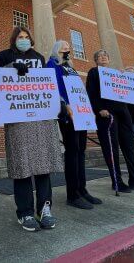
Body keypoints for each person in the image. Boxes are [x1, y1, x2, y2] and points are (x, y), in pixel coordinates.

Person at [0, 26, 63, 232]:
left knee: (43, 165)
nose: (23, 40)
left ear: (31, 40)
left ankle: (44, 209)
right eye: (20, 37)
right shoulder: (4, 55)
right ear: (14, 39)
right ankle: (25, 212)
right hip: (17, 117)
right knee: (22, 165)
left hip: (40, 117)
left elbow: (46, 85)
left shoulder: (39, 57)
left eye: (26, 37)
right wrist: (12, 67)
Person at [85, 50, 134, 193]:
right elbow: (91, 92)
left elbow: (130, 92)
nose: (103, 57)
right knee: (112, 149)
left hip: (124, 113)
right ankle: (117, 181)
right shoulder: (94, 72)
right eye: (99, 56)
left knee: (130, 147)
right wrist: (99, 109)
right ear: (96, 60)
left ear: (109, 59)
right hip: (107, 114)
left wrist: (128, 77)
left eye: (105, 55)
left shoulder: (116, 73)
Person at [47, 40, 102, 209]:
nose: (67, 49)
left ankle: (82, 189)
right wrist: (64, 103)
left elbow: (79, 89)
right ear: (57, 50)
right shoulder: (51, 64)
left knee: (81, 152)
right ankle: (72, 194)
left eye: (68, 48)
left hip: (81, 112)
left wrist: (87, 107)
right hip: (68, 112)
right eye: (63, 47)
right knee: (72, 152)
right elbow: (52, 85)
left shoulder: (70, 67)